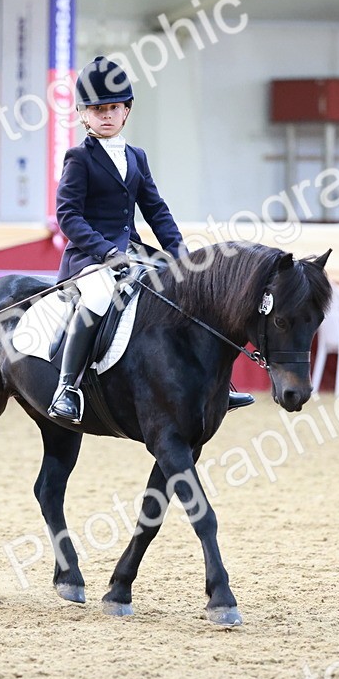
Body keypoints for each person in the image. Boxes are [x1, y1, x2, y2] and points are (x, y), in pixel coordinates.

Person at [48, 56, 253, 424]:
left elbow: (156, 210)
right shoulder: (78, 158)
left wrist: (179, 255)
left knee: (189, 289)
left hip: (133, 253)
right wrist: (106, 251)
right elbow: (68, 216)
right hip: (91, 257)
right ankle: (68, 387)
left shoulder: (136, 157)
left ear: (126, 111)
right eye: (97, 110)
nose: (106, 116)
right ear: (83, 115)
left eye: (113, 108)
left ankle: (221, 384)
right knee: (97, 296)